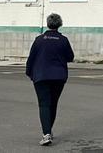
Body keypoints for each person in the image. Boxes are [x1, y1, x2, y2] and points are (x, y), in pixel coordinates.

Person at [26, 13, 74, 146]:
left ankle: (46, 133)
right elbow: (70, 57)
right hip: (59, 76)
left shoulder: (39, 39)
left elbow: (31, 58)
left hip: (41, 76)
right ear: (60, 24)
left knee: (44, 104)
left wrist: (29, 73)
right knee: (53, 103)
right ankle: (48, 131)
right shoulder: (63, 40)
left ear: (47, 24)